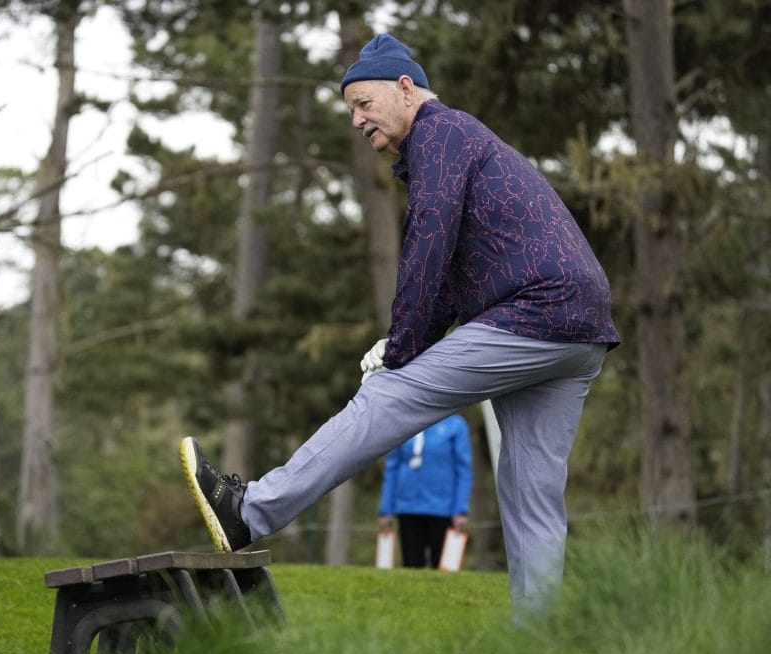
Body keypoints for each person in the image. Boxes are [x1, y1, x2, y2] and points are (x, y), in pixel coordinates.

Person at [180, 33, 619, 613]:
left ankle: (250, 512)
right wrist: (408, 339)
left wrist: (400, 354)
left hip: (538, 312)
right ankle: (537, 650)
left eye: (363, 103)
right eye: (350, 110)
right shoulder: (457, 143)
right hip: (580, 328)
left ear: (406, 88)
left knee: (387, 395)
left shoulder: (441, 131)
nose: (357, 120)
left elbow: (429, 239)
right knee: (531, 498)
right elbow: (447, 274)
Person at [378, 415, 473, 569]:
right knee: (411, 568)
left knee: (443, 570)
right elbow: (392, 468)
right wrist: (386, 509)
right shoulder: (403, 422)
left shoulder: (455, 424)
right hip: (408, 507)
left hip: (443, 509)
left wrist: (460, 509)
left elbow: (463, 471)